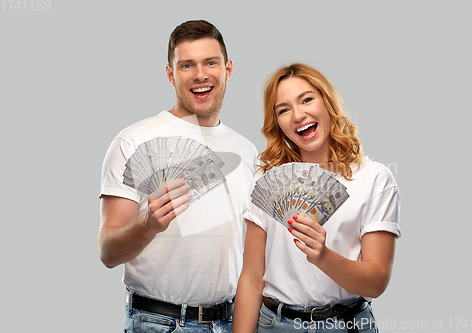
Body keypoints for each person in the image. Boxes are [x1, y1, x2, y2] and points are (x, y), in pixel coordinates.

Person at [99, 20, 258, 332]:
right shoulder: (132, 141)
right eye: (187, 65)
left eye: (210, 62)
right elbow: (107, 251)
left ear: (227, 69)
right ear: (171, 75)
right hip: (160, 323)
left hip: (231, 321)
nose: (200, 74)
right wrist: (146, 225)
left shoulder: (247, 150)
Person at [233, 63, 401, 333]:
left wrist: (323, 256)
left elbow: (376, 282)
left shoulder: (374, 179)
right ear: (277, 123)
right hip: (276, 325)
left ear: (327, 102)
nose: (298, 115)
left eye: (307, 99)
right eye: (283, 110)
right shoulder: (266, 179)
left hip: (347, 325)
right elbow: (251, 279)